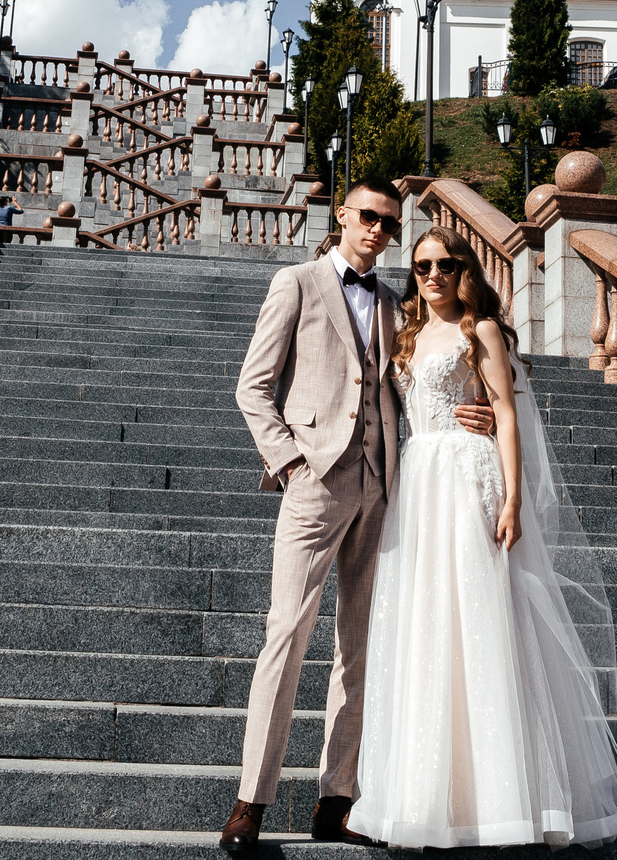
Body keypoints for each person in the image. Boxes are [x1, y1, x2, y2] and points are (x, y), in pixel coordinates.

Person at [223, 180, 496, 854]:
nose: (378, 229)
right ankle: (251, 801)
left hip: (384, 486)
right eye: (368, 216)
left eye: (390, 223)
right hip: (315, 482)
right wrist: (291, 463)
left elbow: (432, 376)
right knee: (286, 634)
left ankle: (337, 798)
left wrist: (481, 411)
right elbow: (252, 386)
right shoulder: (297, 282)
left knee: (361, 645)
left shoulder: (397, 304)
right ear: (342, 215)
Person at [347, 226, 617, 848]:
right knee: (426, 624)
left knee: (481, 618)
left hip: (467, 476)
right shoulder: (407, 332)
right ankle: (427, 797)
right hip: (418, 484)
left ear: (465, 271)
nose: (433, 275)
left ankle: (503, 800)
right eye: (422, 265)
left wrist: (513, 499)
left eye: (446, 264)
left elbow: (505, 411)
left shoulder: (482, 331)